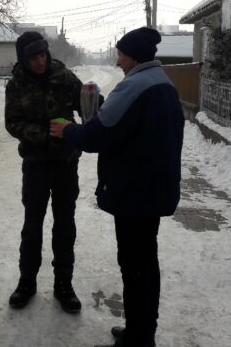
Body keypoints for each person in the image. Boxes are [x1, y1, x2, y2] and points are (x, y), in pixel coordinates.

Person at [50, 27, 184, 347]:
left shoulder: (134, 86)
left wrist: (68, 130)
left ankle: (138, 338)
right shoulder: (163, 84)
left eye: (121, 54)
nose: (118, 61)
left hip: (135, 193)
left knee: (135, 266)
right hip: (153, 189)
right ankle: (141, 330)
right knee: (144, 263)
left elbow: (97, 135)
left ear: (134, 56)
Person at [5, 31, 83, 313]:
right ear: (23, 60)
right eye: (33, 58)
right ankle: (27, 282)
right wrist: (42, 134)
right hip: (35, 164)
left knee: (64, 225)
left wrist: (92, 101)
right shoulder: (16, 84)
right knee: (32, 225)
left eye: (42, 55)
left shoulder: (65, 77)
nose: (39, 62)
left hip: (65, 163)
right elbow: (12, 122)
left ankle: (64, 284)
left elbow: (87, 107)